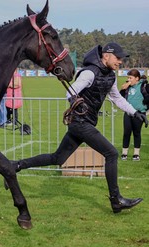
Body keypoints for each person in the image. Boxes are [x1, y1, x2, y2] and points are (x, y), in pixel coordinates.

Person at [15, 43, 147, 213]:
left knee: (58, 158)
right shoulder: (89, 73)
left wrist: (135, 113)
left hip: (85, 124)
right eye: (118, 58)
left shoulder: (111, 76)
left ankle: (15, 166)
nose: (120, 61)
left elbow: (117, 99)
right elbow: (70, 92)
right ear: (106, 56)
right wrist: (75, 103)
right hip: (80, 123)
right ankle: (116, 200)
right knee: (112, 153)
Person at [119, 70, 149, 161]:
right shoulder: (127, 87)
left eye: (130, 78)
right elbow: (120, 98)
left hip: (139, 113)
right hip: (128, 113)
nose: (128, 80)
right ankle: (124, 153)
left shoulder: (144, 86)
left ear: (137, 78)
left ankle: (136, 154)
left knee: (136, 133)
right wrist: (123, 89)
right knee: (126, 133)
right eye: (128, 77)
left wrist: (146, 103)